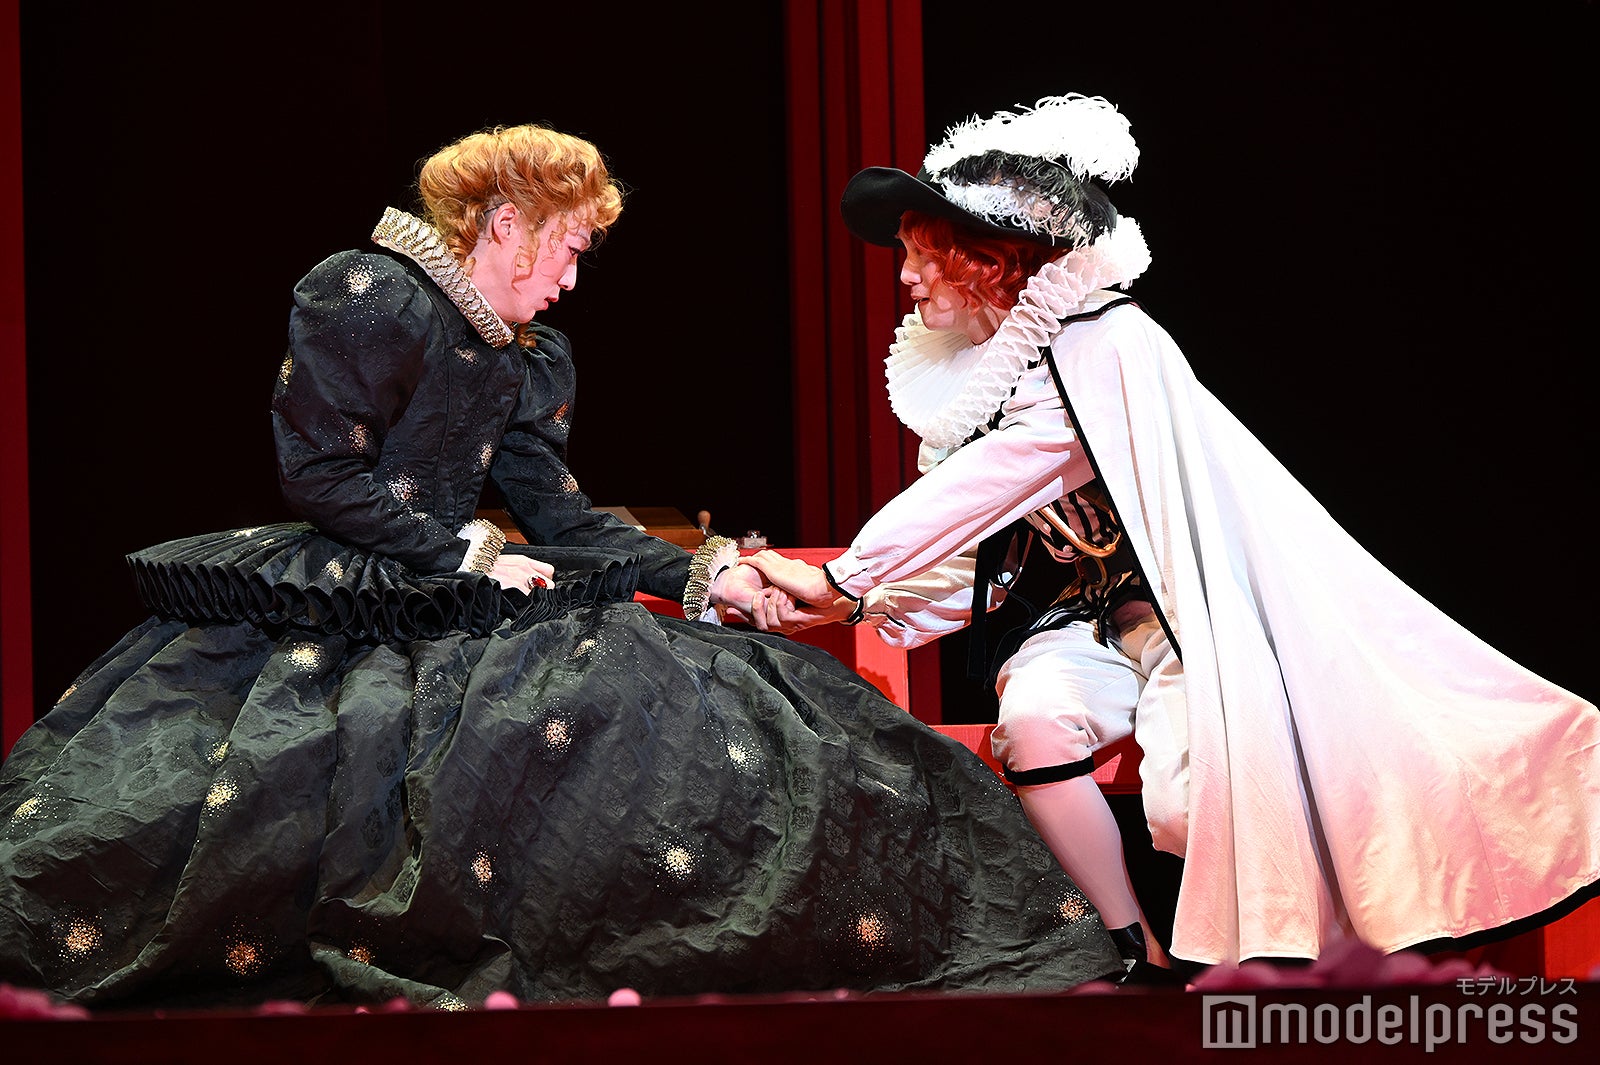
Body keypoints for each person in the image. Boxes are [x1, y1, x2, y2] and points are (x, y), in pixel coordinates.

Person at [0, 124, 1125, 1011]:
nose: (574, 278)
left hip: (470, 581)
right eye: (573, 247)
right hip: (346, 589)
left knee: (701, 719)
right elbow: (320, 474)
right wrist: (462, 554)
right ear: (509, 226)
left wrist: (707, 575)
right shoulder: (367, 292)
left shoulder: (531, 353)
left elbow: (561, 515)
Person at [742, 94, 1600, 976]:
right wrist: (861, 599)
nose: (908, 279)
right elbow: (983, 540)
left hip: (1188, 621)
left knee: (1201, 804)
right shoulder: (985, 380)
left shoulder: (1107, 341)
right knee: (1034, 724)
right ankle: (1135, 952)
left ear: (989, 262)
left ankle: (1274, 963)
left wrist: (847, 575)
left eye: (925, 256)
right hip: (1084, 622)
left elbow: (1008, 470)